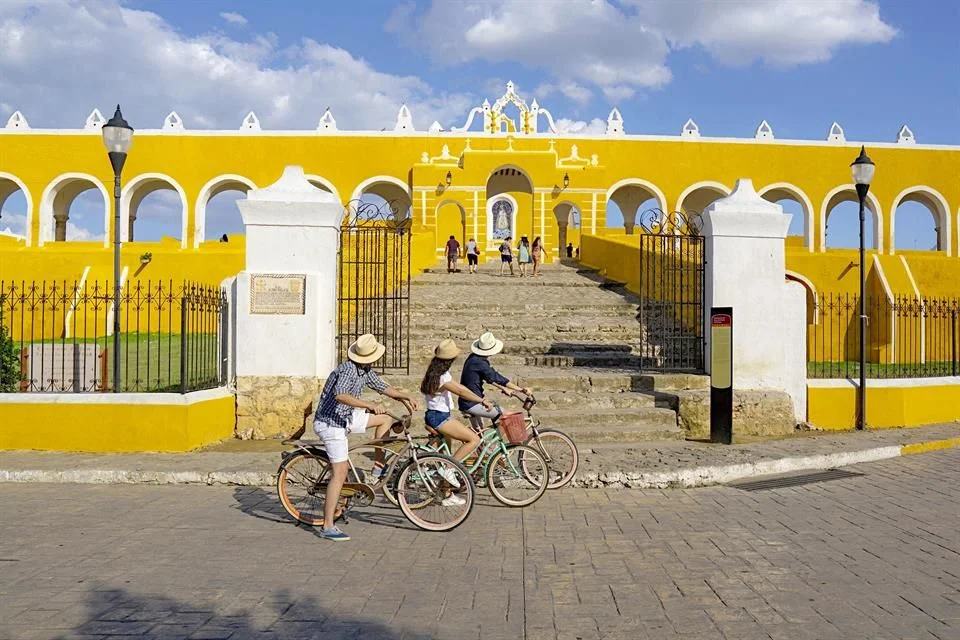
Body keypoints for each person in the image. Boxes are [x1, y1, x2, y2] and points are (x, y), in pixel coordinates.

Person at [312, 334, 419, 541]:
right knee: (340, 473)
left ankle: (378, 466)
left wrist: (404, 397)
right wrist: (369, 405)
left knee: (385, 418)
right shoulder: (347, 370)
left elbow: (382, 386)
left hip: (346, 416)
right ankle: (327, 525)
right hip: (330, 422)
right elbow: (340, 395)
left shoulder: (365, 370)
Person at [420, 339, 492, 504]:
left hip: (436, 415)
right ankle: (449, 469)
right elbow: (460, 391)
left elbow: (460, 388)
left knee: (445, 456)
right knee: (473, 439)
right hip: (439, 417)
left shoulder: (433, 372)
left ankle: (446, 495)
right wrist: (481, 401)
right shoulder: (442, 376)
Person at [458, 332, 531, 424]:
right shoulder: (480, 363)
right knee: (505, 415)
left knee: (479, 430)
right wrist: (520, 389)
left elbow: (489, 378)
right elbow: (496, 377)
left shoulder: (474, 357)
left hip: (469, 400)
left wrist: (504, 388)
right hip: (472, 403)